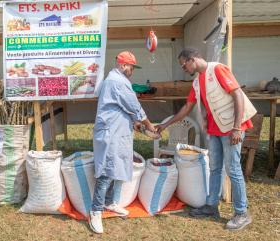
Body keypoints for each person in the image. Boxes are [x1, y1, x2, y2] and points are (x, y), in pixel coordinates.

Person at [156, 47, 255, 231]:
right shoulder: (196, 83)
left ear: (192, 59)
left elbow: (237, 95)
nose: (183, 68)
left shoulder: (217, 69)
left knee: (232, 169)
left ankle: (242, 213)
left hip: (231, 128)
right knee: (214, 167)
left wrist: (236, 128)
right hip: (215, 129)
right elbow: (187, 108)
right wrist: (165, 125)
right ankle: (211, 206)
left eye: (183, 64)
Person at [89, 51, 156, 234]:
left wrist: (135, 123)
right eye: (131, 67)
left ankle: (110, 202)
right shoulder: (116, 81)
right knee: (107, 172)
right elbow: (135, 107)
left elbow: (124, 107)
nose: (132, 70)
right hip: (111, 133)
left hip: (117, 131)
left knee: (115, 168)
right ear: (122, 65)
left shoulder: (117, 80)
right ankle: (95, 211)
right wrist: (150, 126)